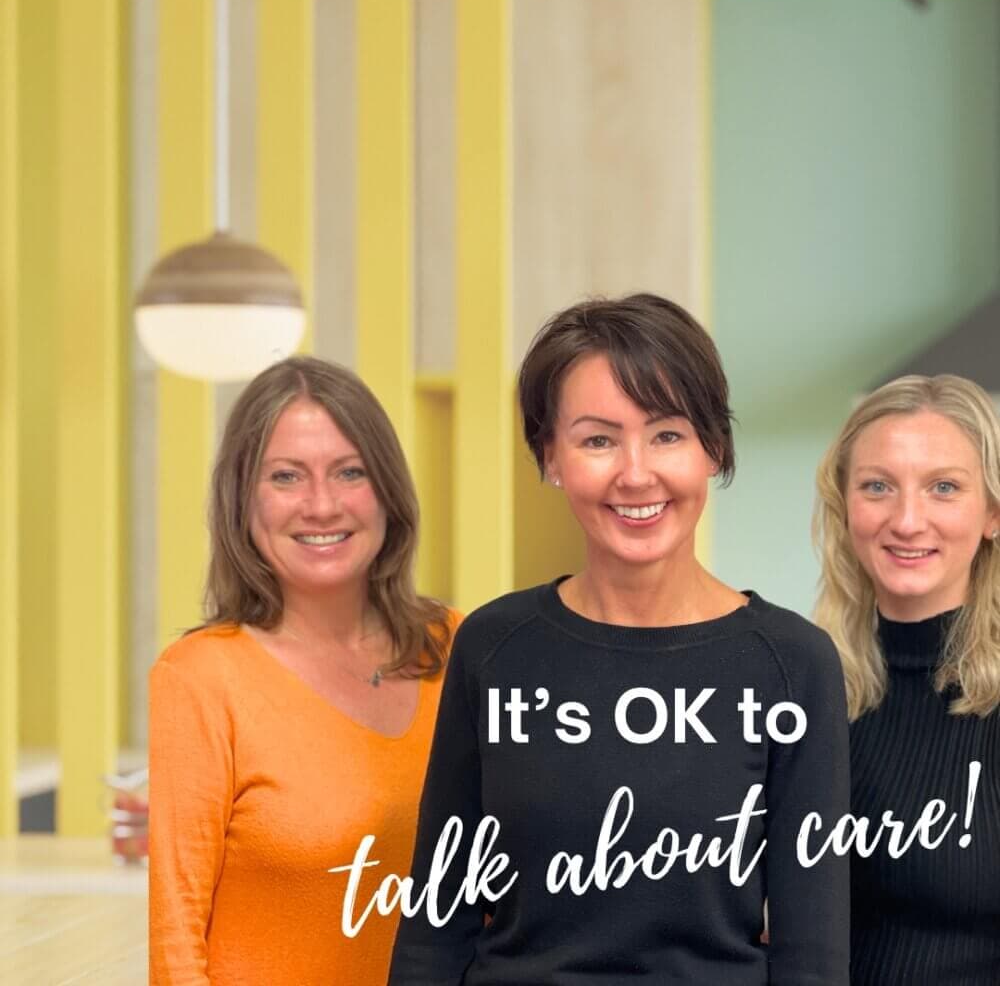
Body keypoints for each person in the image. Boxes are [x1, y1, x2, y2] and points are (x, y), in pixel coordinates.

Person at [388, 294, 850, 984]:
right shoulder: (493, 648)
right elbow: (436, 926)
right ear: (550, 458)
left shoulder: (792, 665)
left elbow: (810, 952)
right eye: (598, 439)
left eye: (667, 434)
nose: (636, 473)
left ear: (713, 449)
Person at [149, 356, 459, 984]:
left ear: (388, 492)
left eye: (350, 472)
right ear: (244, 499)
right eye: (286, 477)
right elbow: (175, 940)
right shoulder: (200, 679)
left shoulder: (462, 646)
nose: (321, 505)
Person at [814, 374, 1000, 985]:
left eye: (943, 487)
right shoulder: (803, 689)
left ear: (992, 512)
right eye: (878, 487)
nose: (907, 520)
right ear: (846, 506)